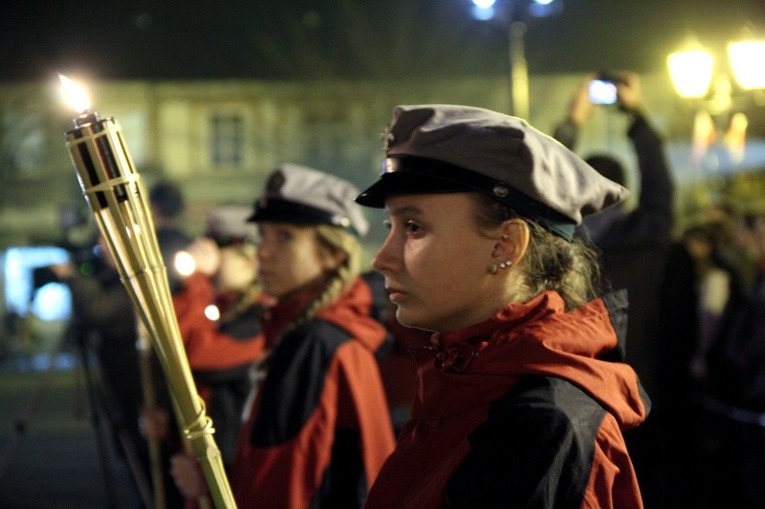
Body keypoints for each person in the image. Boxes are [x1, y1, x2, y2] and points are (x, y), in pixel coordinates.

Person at [354, 104, 650, 508]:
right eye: (392, 227)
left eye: (415, 227)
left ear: (504, 246)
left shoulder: (540, 425)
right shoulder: (468, 376)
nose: (381, 258)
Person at [171, 164, 396, 508]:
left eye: (285, 236)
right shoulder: (311, 332)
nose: (262, 251)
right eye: (264, 235)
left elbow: (288, 484)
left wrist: (217, 484)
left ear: (331, 254)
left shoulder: (313, 342)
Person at [553, 72, 674, 504]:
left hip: (576, 388)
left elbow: (543, 186)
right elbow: (659, 185)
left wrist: (571, 121)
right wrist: (636, 115)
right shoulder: (647, 233)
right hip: (646, 385)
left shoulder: (561, 244)